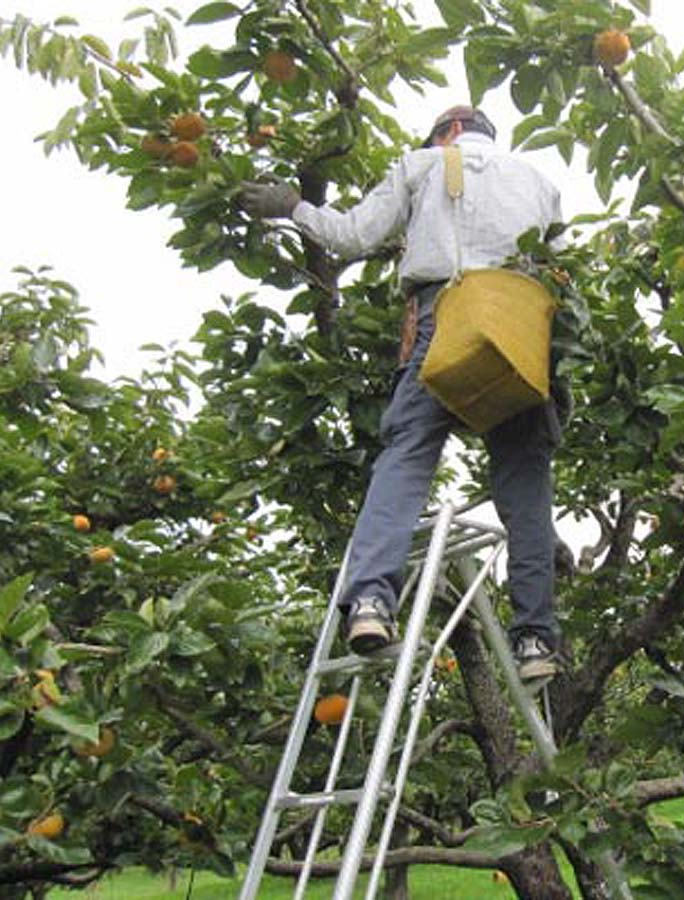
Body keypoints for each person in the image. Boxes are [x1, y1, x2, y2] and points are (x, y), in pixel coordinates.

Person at [240, 106, 564, 681]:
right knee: (525, 476)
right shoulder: (541, 184)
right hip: (522, 329)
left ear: (451, 133)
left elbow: (353, 236)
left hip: (451, 317)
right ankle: (536, 640)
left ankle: (370, 602)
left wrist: (292, 207)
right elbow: (562, 271)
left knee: (408, 453)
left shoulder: (425, 164)